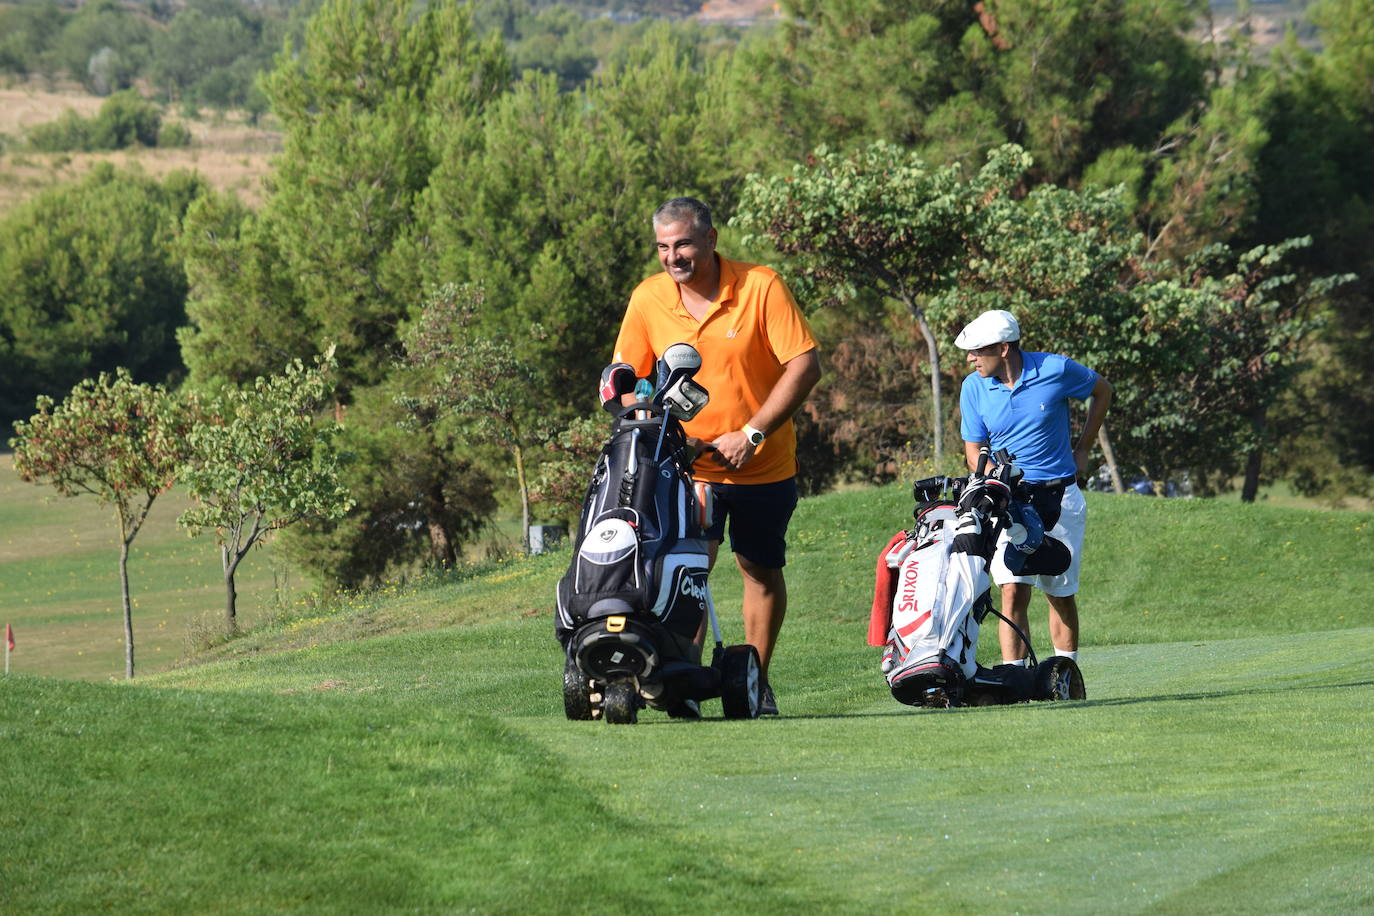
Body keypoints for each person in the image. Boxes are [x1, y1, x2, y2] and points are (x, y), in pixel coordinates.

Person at [613, 197, 821, 715]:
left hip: (762, 463)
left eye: (682, 243)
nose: (673, 256)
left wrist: (750, 433)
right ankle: (683, 682)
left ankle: (753, 682)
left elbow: (804, 366)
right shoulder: (647, 299)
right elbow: (624, 382)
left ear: (710, 239)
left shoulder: (760, 285)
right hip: (681, 467)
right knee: (686, 571)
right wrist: (649, 417)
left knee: (759, 569)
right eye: (663, 247)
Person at [955, 309, 1112, 667]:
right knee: (1012, 591)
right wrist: (999, 479)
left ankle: (1066, 675)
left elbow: (1102, 390)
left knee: (1060, 592)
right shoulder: (973, 387)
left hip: (1060, 497)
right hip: (1009, 502)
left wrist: (1084, 448)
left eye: (978, 350)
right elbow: (971, 450)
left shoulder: (1055, 369)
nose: (970, 358)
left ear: (1004, 348)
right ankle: (1016, 677)